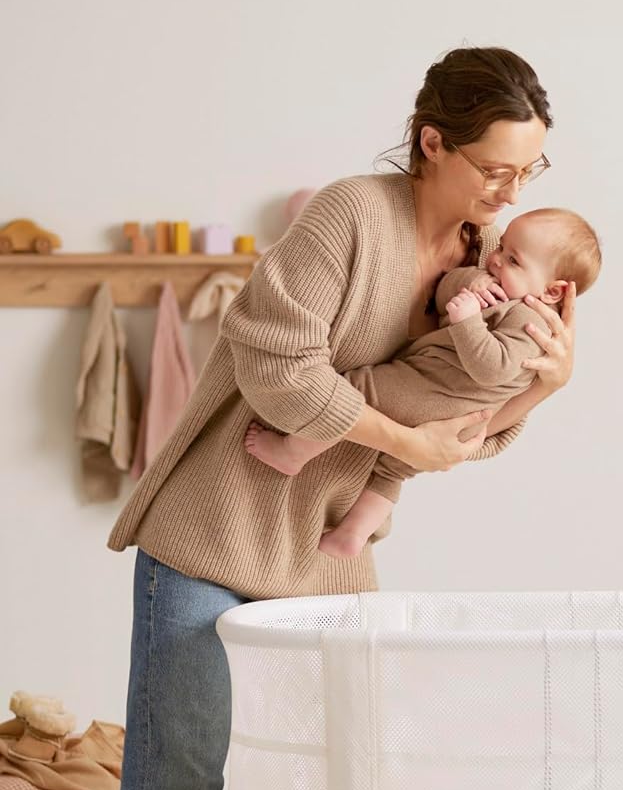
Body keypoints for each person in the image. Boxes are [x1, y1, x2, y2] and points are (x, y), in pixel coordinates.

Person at [96, 46, 577, 790]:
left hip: (328, 556)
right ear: (433, 143)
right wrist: (401, 433)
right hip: (214, 537)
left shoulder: (483, 254)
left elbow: (465, 423)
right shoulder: (346, 221)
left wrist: (544, 389)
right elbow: (277, 369)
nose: (513, 195)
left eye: (532, 172)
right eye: (499, 169)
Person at [242, 206, 601, 559]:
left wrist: (468, 322)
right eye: (501, 247)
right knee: (392, 469)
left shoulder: (530, 322)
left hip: (435, 396)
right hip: (452, 419)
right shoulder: (499, 286)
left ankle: (292, 452)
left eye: (513, 261)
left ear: (552, 292)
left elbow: (492, 368)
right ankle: (353, 534)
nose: (495, 260)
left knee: (356, 390)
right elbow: (445, 296)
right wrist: (470, 282)